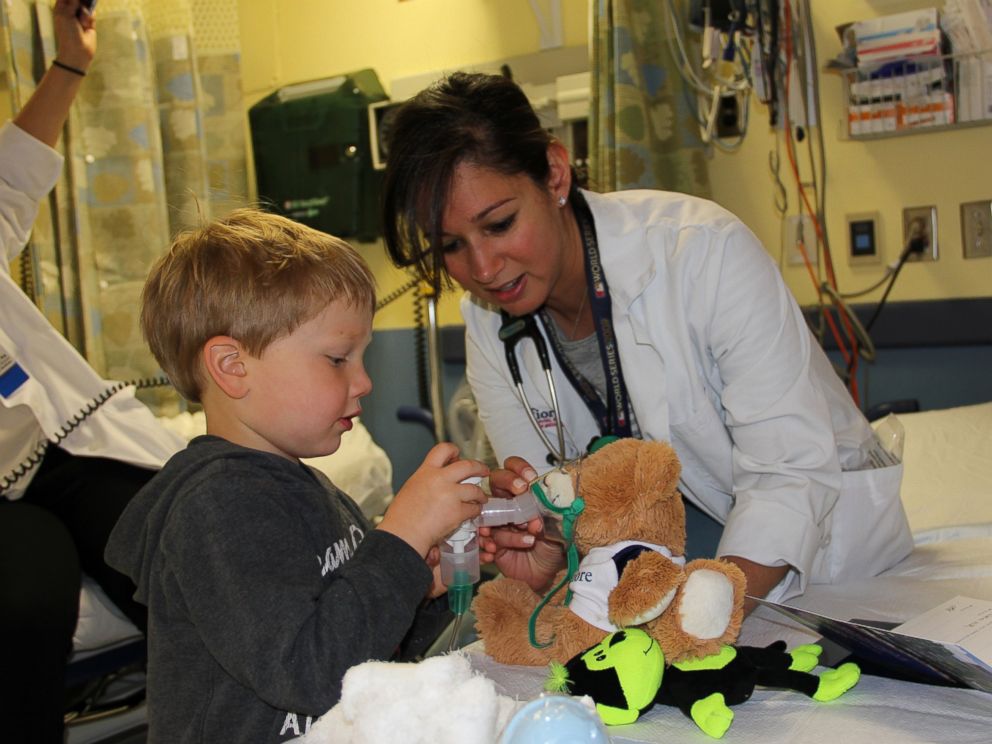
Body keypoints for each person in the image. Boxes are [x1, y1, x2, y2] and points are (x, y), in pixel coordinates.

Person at [380, 71, 913, 609]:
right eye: (450, 245)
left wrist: (702, 614)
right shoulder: (487, 321)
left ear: (555, 175)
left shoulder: (702, 251)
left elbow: (788, 472)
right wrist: (540, 544)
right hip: (651, 578)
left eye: (499, 224)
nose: (484, 268)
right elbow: (555, 502)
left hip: (822, 562)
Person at [104, 208, 494, 742]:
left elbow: (362, 658)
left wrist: (423, 586)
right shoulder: (216, 506)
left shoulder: (310, 490)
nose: (364, 382)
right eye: (338, 359)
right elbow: (307, 672)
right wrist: (400, 539)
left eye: (362, 357)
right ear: (232, 367)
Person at [0, 3, 186, 742]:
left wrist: (71, 60)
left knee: (173, 558)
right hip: (7, 503)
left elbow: (13, 179)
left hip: (68, 451)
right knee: (24, 601)